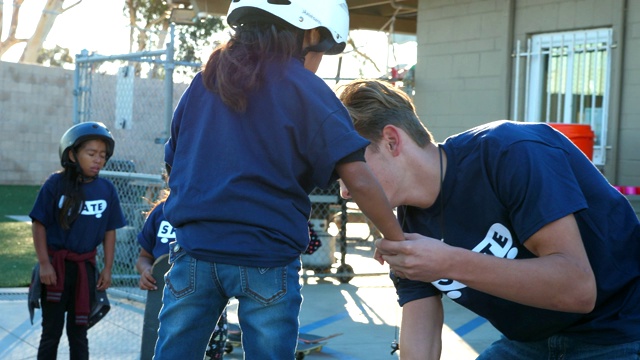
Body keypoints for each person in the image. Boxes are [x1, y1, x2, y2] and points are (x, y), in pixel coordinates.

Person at [155, 1, 404, 359]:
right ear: (312, 32)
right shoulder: (304, 87)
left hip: (194, 252)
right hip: (266, 257)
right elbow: (359, 178)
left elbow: (173, 162)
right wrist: (396, 242)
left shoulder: (205, 81)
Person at [337, 79, 640, 360]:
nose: (345, 190)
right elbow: (421, 330)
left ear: (391, 141)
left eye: (351, 169)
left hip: (621, 329)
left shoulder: (510, 151)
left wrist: (447, 262)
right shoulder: (403, 225)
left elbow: (578, 290)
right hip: (529, 343)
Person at [29, 121, 126, 360]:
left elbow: (109, 231)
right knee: (51, 332)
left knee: (79, 333)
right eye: (91, 153)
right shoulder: (55, 184)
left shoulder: (107, 189)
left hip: (85, 270)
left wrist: (108, 268)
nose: (98, 160)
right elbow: (39, 223)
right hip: (56, 269)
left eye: (103, 155)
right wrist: (44, 264)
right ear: (72, 154)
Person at [136, 183, 228, 360]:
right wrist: (147, 270)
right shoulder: (159, 213)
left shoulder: (215, 211)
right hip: (164, 303)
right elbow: (143, 257)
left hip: (208, 302)